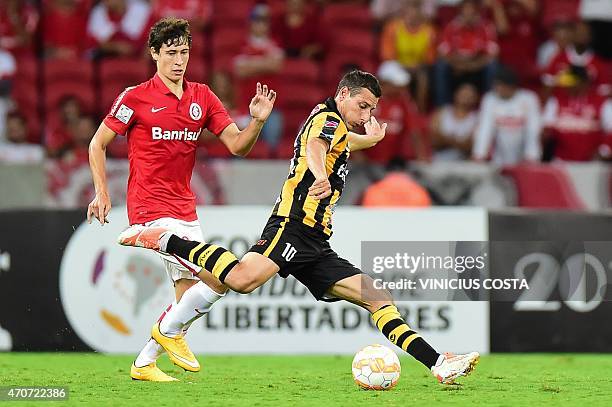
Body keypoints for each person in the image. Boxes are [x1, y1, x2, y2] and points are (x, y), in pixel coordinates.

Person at [119, 70, 480, 385]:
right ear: (343, 95)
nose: (366, 114)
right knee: (242, 280)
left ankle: (438, 364)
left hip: (316, 242)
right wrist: (321, 175)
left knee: (376, 296)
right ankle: (166, 239)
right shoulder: (328, 121)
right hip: (292, 227)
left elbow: (338, 141)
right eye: (363, 106)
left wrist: (370, 139)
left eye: (372, 109)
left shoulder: (332, 120)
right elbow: (318, 146)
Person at [86, 18, 277, 382]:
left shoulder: (202, 96)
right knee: (223, 276)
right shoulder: (135, 97)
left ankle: (145, 361)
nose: (178, 60)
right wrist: (102, 192)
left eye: (184, 52)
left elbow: (237, 145)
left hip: (185, 209)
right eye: (171, 53)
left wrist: (256, 123)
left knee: (189, 297)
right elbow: (97, 143)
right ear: (154, 54)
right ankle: (142, 234)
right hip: (151, 207)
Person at [472, 66, 542, 165]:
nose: (496, 89)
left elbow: (533, 129)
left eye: (499, 85)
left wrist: (532, 155)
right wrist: (479, 154)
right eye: (495, 85)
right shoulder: (490, 99)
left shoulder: (529, 98)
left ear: (511, 86)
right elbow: (485, 128)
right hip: (499, 157)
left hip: (524, 155)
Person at [434, 0, 499, 106]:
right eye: (466, 10)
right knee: (441, 66)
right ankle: (443, 107)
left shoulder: (486, 27)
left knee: (492, 66)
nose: (469, 13)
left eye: (472, 10)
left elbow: (493, 54)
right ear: (460, 12)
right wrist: (458, 65)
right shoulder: (451, 27)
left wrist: (474, 65)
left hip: (478, 66)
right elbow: (442, 53)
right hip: (456, 66)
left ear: (477, 12)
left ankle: (490, 105)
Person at [542, 65, 612, 161]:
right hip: (560, 161)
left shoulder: (602, 102)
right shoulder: (556, 100)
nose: (567, 86)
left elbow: (610, 129)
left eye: (571, 83)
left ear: (584, 83)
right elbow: (546, 129)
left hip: (591, 163)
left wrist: (604, 151)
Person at [431, 83, 479, 161]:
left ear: (476, 98)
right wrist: (458, 142)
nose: (466, 97)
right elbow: (433, 140)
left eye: (470, 96)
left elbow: (470, 146)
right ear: (456, 94)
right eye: (463, 94)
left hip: (463, 162)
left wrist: (446, 139)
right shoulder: (441, 112)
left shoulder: (477, 118)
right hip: (438, 159)